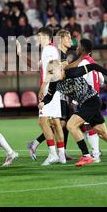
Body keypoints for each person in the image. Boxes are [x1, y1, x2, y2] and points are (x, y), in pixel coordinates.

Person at [39, 60, 107, 167]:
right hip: (85, 103)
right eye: (50, 73)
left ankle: (86, 155)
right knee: (102, 132)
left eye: (54, 72)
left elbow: (93, 66)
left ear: (60, 69)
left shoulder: (73, 72)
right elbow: (49, 96)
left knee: (71, 125)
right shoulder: (54, 82)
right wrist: (43, 102)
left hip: (92, 100)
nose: (53, 76)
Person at [26, 30, 71, 162]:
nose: (37, 39)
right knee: (56, 122)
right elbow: (36, 65)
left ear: (45, 36)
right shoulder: (51, 49)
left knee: (43, 121)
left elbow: (53, 68)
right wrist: (20, 54)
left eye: (39, 37)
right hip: (55, 88)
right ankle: (61, 155)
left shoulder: (48, 49)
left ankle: (52, 154)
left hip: (49, 88)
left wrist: (43, 86)